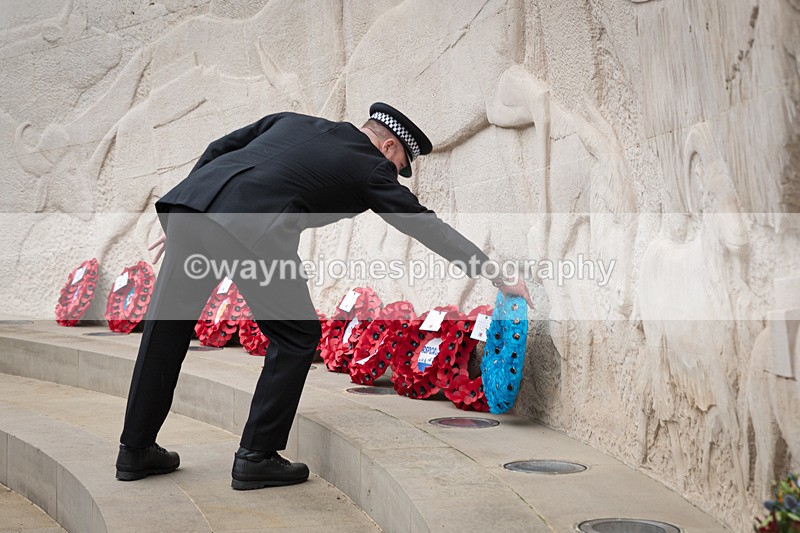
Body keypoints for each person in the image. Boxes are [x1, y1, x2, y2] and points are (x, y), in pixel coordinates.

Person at [115, 102, 533, 490]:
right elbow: (422, 224)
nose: (393, 173)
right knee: (297, 334)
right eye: (398, 165)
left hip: (192, 209)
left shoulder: (292, 121)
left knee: (165, 329)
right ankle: (256, 456)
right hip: (251, 231)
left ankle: (134, 451)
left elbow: (219, 148)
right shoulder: (371, 168)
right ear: (388, 146)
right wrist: (495, 274)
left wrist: (192, 211)